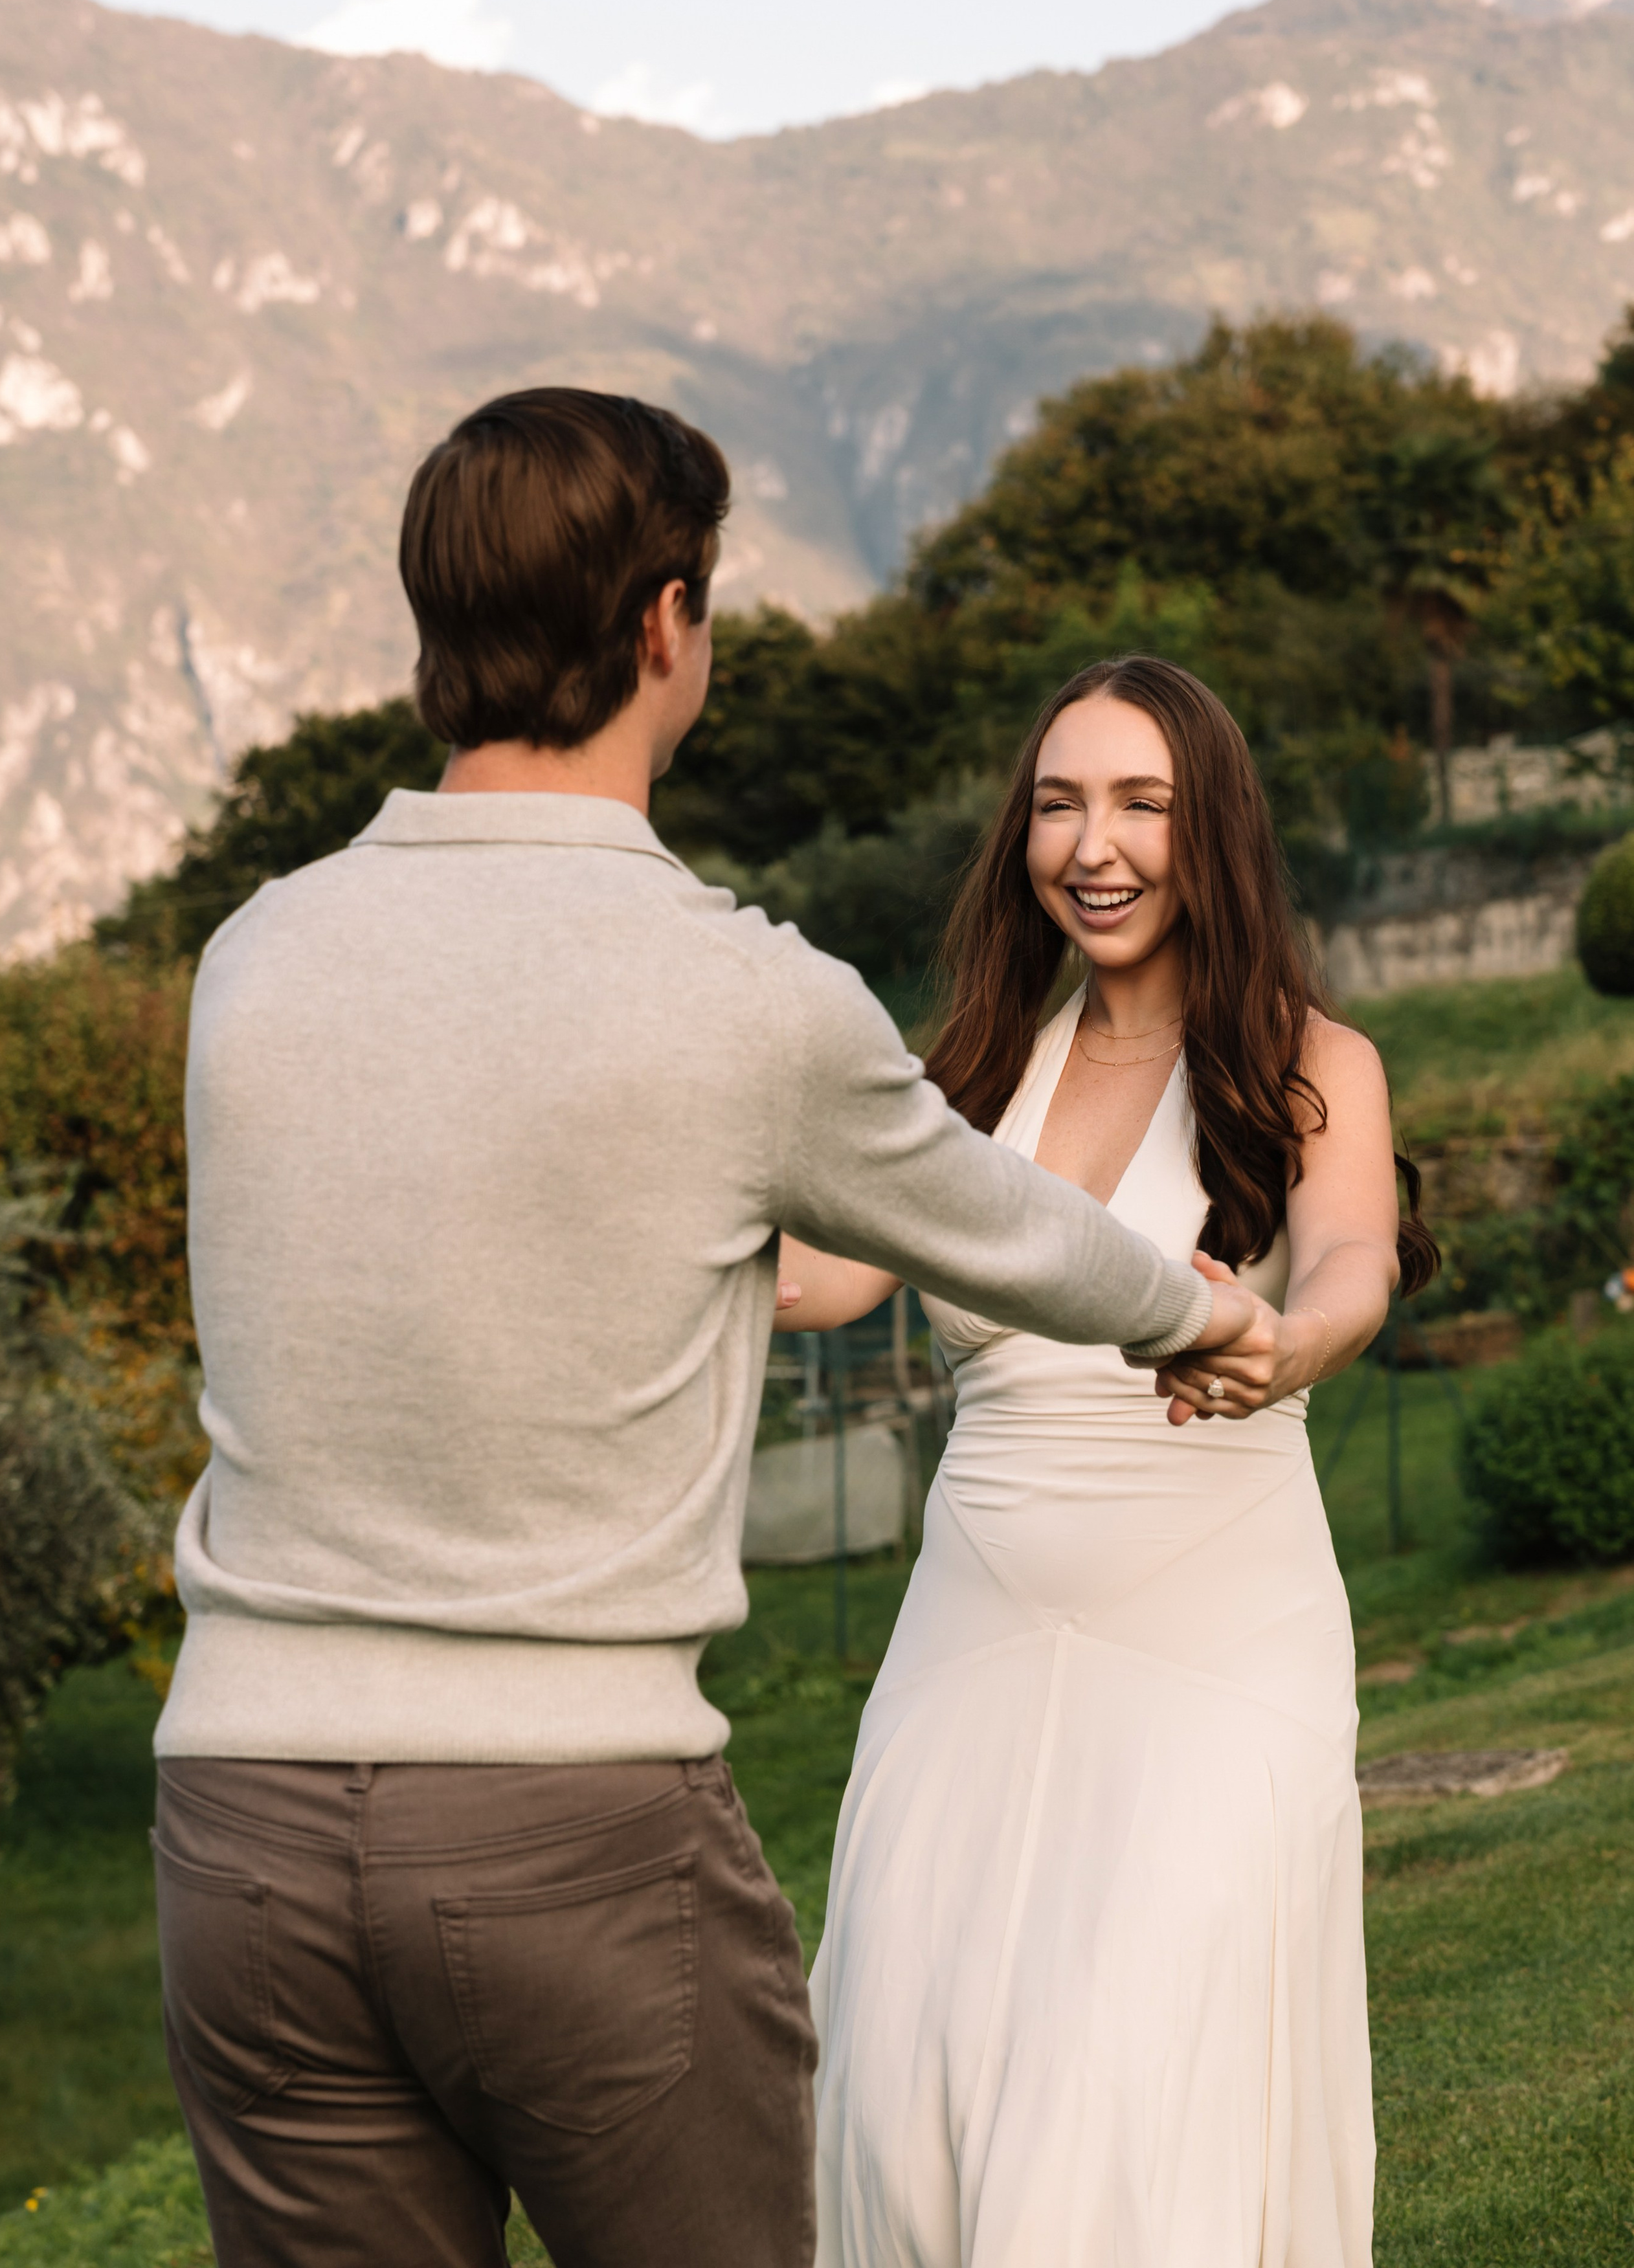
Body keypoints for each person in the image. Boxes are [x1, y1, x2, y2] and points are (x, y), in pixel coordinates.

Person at [150, 395, 1282, 2268]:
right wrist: (1198, 1310)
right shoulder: (742, 998)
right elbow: (1000, 1224)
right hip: (573, 1839)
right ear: (666, 623)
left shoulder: (249, 958)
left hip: (239, 1834)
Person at [788, 656, 1437, 2268]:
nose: (1093, 846)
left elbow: (1350, 1259)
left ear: (1208, 825)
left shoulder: (1309, 1063)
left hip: (1215, 1648)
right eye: (1058, 805)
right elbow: (812, 1281)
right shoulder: (961, 1080)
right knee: (903, 2102)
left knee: (1126, 2093)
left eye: (1140, 803)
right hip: (967, 1654)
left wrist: (1284, 1343)